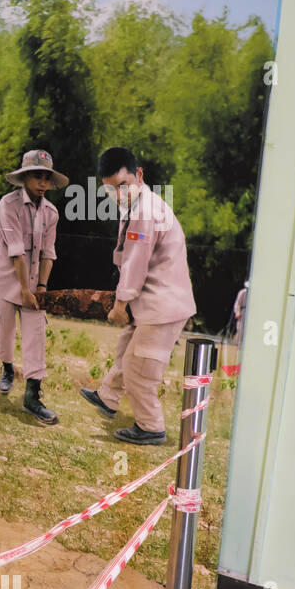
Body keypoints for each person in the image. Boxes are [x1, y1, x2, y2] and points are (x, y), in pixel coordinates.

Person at [79, 147, 197, 445]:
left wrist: (120, 304)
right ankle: (108, 398)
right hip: (152, 300)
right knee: (126, 349)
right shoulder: (139, 205)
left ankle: (151, 427)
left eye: (123, 185)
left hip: (163, 305)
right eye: (110, 190)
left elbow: (135, 262)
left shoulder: (145, 212)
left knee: (139, 367)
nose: (118, 194)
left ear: (139, 176)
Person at [0, 150, 65, 425]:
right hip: (8, 280)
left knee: (36, 334)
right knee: (5, 330)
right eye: (37, 176)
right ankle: (7, 369)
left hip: (33, 283)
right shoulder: (7, 205)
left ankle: (32, 397)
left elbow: (48, 252)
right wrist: (23, 289)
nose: (42, 182)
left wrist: (41, 288)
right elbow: (16, 251)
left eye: (46, 177)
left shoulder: (51, 213)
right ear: (24, 178)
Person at [233, 281, 248, 349]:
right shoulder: (243, 292)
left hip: (249, 311)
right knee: (240, 328)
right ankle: (238, 344)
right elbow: (237, 303)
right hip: (243, 311)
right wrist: (237, 312)